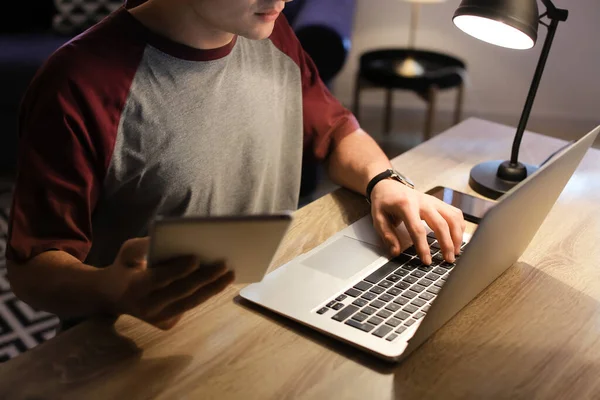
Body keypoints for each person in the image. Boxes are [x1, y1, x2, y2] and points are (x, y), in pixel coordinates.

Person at [6, 0, 465, 331]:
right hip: (134, 341)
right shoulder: (78, 83)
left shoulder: (270, 30)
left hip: (263, 310)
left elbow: (339, 129)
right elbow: (31, 269)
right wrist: (111, 288)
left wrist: (383, 181)